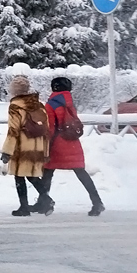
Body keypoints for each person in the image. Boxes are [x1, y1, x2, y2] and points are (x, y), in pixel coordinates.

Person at [40, 76, 105, 217]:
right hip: (72, 142)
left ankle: (44, 202)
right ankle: (97, 201)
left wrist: (46, 145)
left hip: (57, 143)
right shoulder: (69, 103)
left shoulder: (51, 104)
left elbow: (50, 128)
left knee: (47, 171)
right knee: (81, 172)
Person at [0, 75, 50, 217]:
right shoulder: (38, 105)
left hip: (22, 146)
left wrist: (7, 151)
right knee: (32, 176)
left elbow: (13, 130)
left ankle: (24, 207)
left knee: (19, 176)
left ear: (14, 90)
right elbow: (47, 129)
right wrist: (46, 152)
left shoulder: (15, 106)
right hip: (38, 145)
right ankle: (46, 199)